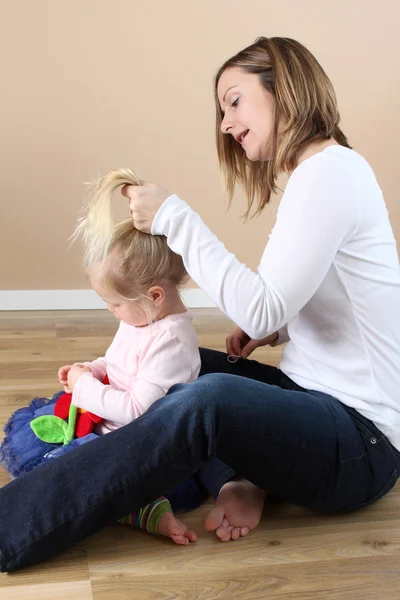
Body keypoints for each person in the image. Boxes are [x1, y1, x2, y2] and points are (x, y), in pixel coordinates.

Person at [1, 36, 400, 572]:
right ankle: (244, 476)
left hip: (363, 444)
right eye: (221, 109)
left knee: (203, 399)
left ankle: (13, 526)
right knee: (172, 362)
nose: (225, 123)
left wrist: (175, 218)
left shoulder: (330, 173)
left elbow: (258, 305)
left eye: (234, 100)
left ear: (283, 88)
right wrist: (274, 333)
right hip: (314, 401)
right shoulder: (323, 174)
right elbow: (313, 297)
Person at [0, 168, 210, 546]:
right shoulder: (140, 316)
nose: (111, 311)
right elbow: (117, 363)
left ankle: (143, 508)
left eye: (113, 303)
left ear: (155, 295)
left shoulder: (172, 343)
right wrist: (90, 370)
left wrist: (86, 389)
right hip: (109, 421)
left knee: (75, 475)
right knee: (42, 430)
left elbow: (136, 411)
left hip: (142, 445)